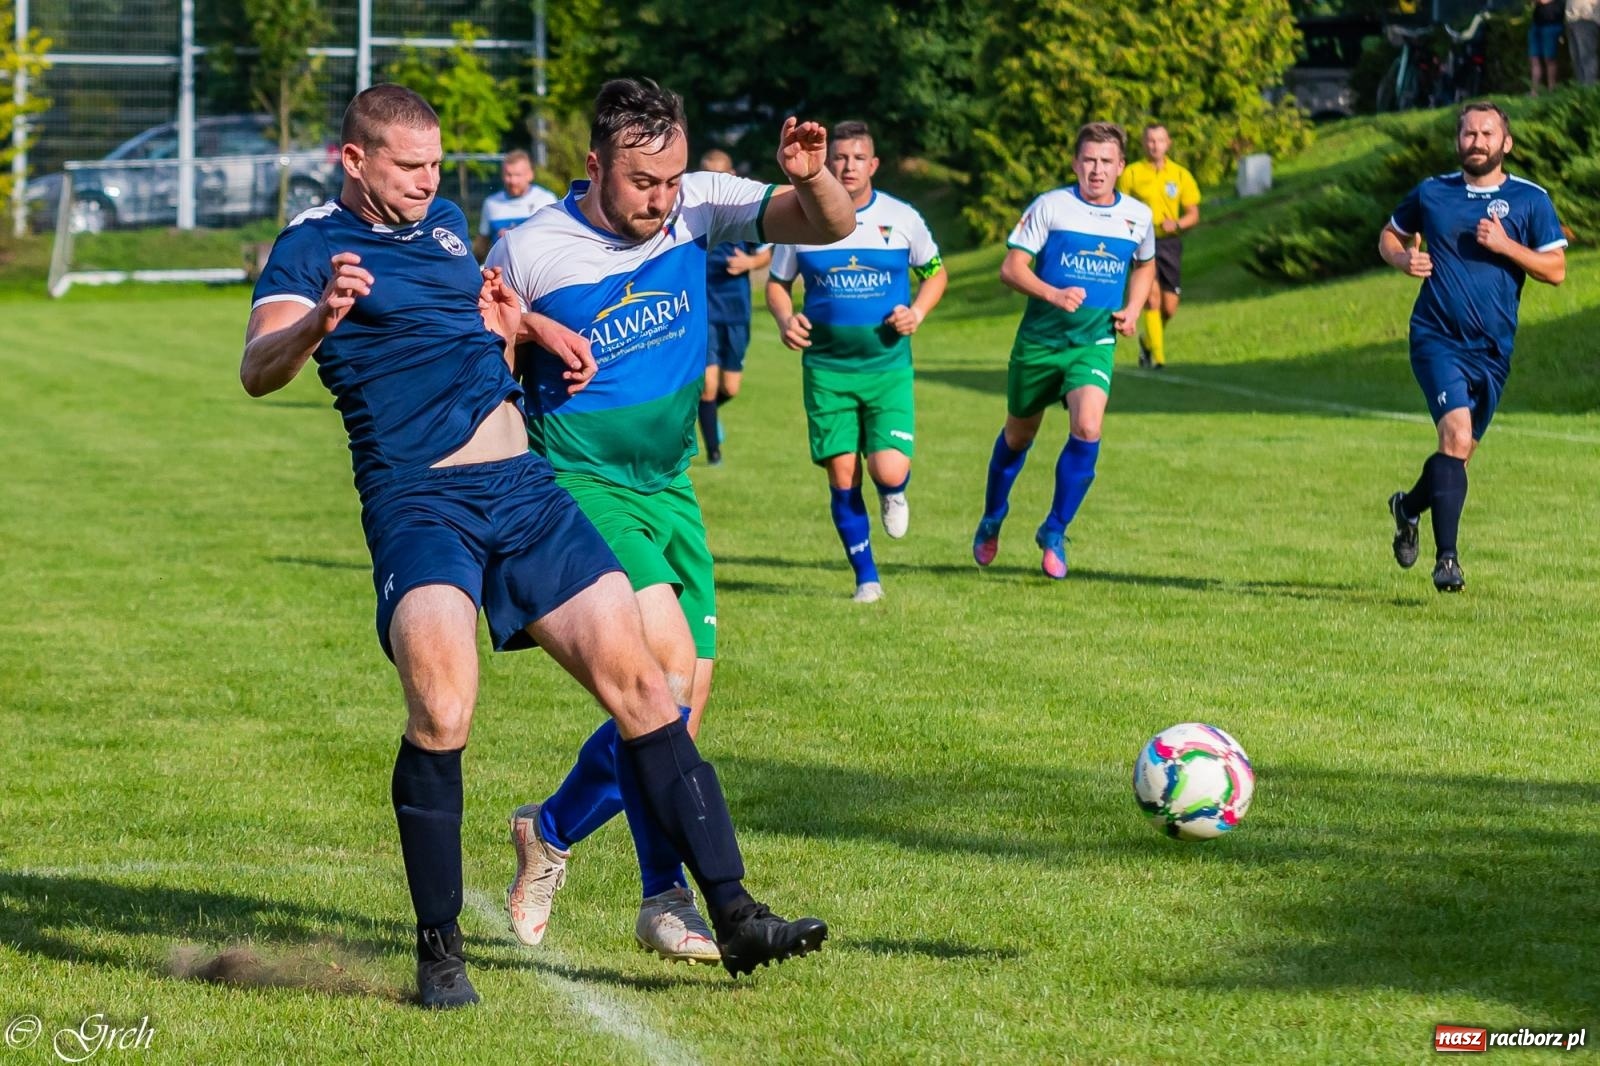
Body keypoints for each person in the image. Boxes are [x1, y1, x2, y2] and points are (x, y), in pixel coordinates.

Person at [240, 84, 831, 1008]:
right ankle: (440, 954)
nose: (429, 181)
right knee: (444, 710)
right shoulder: (311, 245)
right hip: (418, 502)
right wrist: (319, 320)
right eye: (409, 166)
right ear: (354, 160)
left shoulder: (445, 226)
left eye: (437, 164)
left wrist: (533, 324)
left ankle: (736, 912)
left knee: (648, 687)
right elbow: (256, 367)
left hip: (523, 491)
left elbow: (488, 313)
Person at [486, 79, 853, 964]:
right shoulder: (530, 246)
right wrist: (529, 325)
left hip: (670, 486)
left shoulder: (698, 205)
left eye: (672, 180)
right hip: (583, 483)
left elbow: (830, 226)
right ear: (594, 165)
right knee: (663, 673)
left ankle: (557, 832)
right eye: (642, 181)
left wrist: (810, 177)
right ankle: (679, 899)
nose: (661, 200)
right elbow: (475, 341)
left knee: (673, 714)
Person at [1379, 101, 1566, 592]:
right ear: (1457, 141)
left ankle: (1407, 508)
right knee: (1456, 438)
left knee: (1457, 456)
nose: (1477, 142)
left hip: (1493, 351)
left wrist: (1506, 246)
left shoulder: (1530, 200)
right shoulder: (1433, 192)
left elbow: (1556, 270)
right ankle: (1447, 561)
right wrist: (1403, 260)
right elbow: (1390, 235)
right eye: (1468, 133)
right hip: (1437, 337)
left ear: (1506, 143)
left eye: (1487, 134)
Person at [766, 120, 947, 603]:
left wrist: (917, 312)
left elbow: (935, 273)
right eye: (840, 158)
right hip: (827, 371)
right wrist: (785, 319)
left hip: (888, 369)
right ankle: (866, 578)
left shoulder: (901, 218)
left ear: (874, 164)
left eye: (858, 158)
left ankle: (894, 491)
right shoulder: (801, 220)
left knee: (887, 470)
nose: (848, 166)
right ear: (827, 162)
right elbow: (778, 286)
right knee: (842, 474)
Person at [971, 122, 1156, 580]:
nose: (1097, 170)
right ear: (1075, 163)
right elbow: (1011, 268)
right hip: (1039, 343)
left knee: (1088, 427)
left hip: (1093, 343)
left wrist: (1133, 308)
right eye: (1088, 160)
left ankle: (1054, 530)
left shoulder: (1138, 216)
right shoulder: (1051, 207)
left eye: (1106, 162)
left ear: (1121, 167)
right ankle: (993, 515)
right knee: (1018, 436)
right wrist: (1052, 294)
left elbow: (1145, 265)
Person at [697, 149, 772, 466]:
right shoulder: (693, 214)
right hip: (703, 310)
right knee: (708, 386)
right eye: (708, 175)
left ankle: (706, 416)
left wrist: (749, 263)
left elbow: (766, 253)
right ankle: (714, 453)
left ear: (731, 177)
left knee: (730, 387)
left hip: (736, 309)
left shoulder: (744, 214)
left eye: (720, 175)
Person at [1115, 123, 1200, 370]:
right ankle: (1159, 360)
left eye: (1160, 140)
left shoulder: (1180, 174)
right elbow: (1120, 208)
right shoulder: (1131, 173)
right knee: (1151, 299)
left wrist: (1178, 223)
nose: (1155, 145)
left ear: (1168, 143)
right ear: (1144, 143)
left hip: (1169, 243)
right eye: (1151, 140)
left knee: (1169, 307)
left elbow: (1193, 213)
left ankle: (1148, 342)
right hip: (1142, 241)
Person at [474, 149, 558, 259]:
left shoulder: (546, 200)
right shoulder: (491, 203)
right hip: (501, 267)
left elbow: (555, 239)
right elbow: (482, 244)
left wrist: (517, 236)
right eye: (508, 175)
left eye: (518, 175)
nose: (513, 181)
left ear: (530, 175)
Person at [1529, 0, 1566, 96]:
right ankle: (1534, 91)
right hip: (1537, 23)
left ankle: (1551, 90)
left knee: (1549, 59)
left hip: (1552, 24)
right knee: (1534, 59)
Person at [1568, 0, 1600, 86]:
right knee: (1576, 57)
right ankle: (1581, 86)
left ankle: (1590, 86)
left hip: (1587, 19)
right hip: (1572, 20)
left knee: (1587, 56)